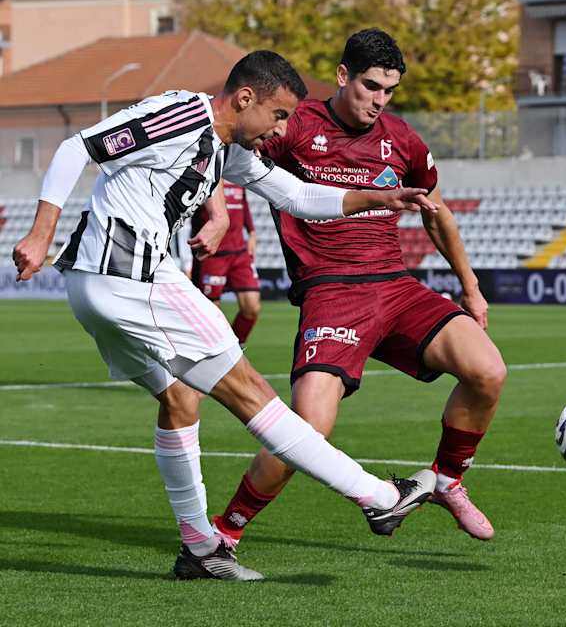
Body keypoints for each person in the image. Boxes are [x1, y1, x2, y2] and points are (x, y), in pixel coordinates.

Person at [12, 50, 438, 582]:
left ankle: (199, 548)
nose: (280, 129)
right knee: (252, 393)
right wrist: (41, 231)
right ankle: (380, 497)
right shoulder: (183, 113)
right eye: (278, 115)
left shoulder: (223, 149)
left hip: (94, 285)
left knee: (179, 400)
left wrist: (379, 197)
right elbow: (77, 146)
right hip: (133, 277)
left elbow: (297, 194)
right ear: (244, 99)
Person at [211, 29, 507, 551]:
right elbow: (225, 143)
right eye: (371, 86)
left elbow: (437, 215)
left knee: (487, 370)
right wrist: (215, 209)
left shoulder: (402, 138)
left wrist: (471, 287)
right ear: (344, 75)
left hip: (395, 286)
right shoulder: (294, 123)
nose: (379, 100)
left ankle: (446, 480)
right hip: (331, 292)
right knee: (308, 428)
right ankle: (225, 531)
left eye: (389, 90)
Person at [191, 181, 261, 345]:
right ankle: (216, 353)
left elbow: (243, 205)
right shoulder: (207, 173)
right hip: (213, 254)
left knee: (252, 307)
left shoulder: (236, 173)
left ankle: (237, 346)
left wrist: (251, 231)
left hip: (239, 252)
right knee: (211, 313)